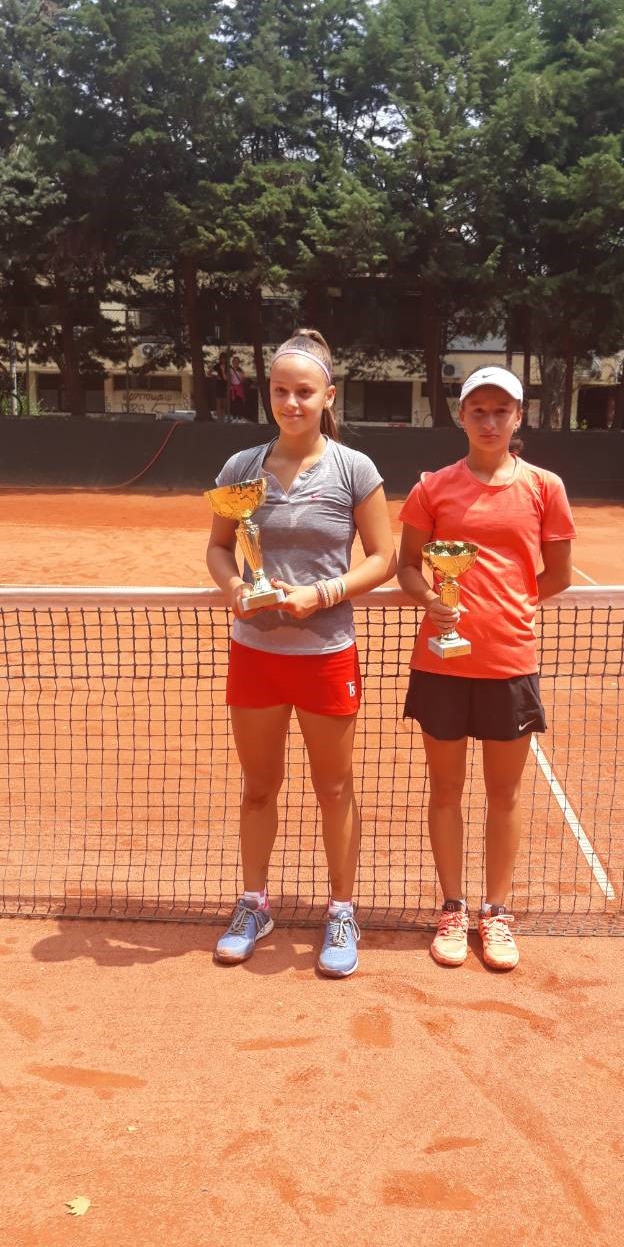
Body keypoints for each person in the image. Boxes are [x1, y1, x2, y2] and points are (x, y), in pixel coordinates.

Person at [206, 328, 396, 976]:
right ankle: (254, 903)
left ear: (328, 397)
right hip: (255, 653)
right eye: (281, 391)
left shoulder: (354, 469)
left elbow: (384, 557)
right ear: (269, 394)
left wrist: (325, 593)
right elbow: (219, 548)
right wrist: (236, 590)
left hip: (326, 654)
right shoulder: (240, 468)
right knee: (259, 788)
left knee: (334, 787)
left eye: (305, 392)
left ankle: (341, 909)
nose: (292, 403)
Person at [397, 366, 575, 972]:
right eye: (479, 410)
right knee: (445, 790)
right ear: (462, 416)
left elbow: (558, 575)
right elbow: (408, 566)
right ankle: (453, 908)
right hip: (442, 663)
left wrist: (511, 608)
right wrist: (433, 600)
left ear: (519, 416)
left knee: (504, 793)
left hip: (509, 661)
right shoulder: (432, 488)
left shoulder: (545, 487)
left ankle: (495, 913)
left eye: (502, 410)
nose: (490, 421)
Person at [228, 355, 247, 420]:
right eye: (234, 361)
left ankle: (239, 415)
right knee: (233, 402)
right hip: (232, 388)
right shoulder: (230, 370)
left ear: (238, 363)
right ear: (232, 362)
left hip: (239, 388)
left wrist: (242, 377)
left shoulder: (241, 371)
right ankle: (234, 415)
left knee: (239, 402)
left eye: (237, 361)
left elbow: (243, 380)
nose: (236, 363)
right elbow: (229, 379)